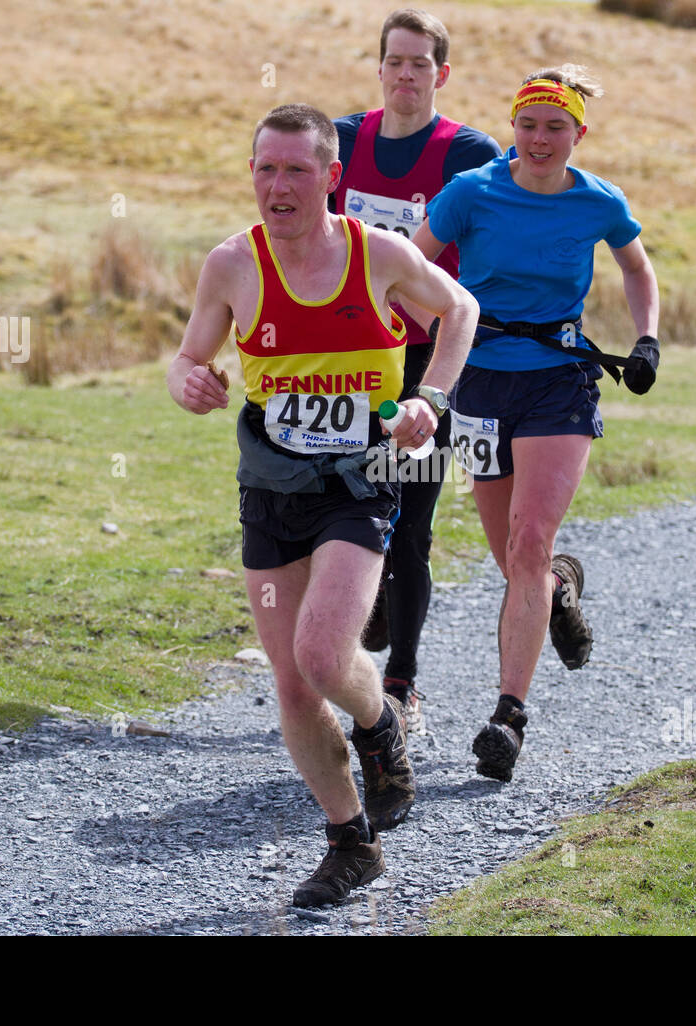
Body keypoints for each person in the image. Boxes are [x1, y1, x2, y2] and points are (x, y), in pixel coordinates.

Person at [168, 103, 477, 906]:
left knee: (319, 650)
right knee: (293, 683)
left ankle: (380, 726)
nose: (279, 186)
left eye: (297, 170)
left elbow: (460, 309)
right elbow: (188, 356)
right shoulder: (232, 265)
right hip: (271, 488)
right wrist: (190, 383)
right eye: (266, 169)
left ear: (332, 178)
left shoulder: (379, 254)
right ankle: (351, 842)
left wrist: (431, 400)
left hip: (360, 480)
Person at [412, 66, 660, 782]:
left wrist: (646, 340)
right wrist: (436, 336)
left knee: (527, 544)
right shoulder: (473, 192)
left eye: (557, 127)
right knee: (514, 563)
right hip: (481, 382)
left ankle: (507, 718)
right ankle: (560, 589)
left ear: (580, 133)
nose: (540, 139)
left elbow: (638, 271)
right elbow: (411, 264)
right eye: (529, 124)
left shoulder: (598, 201)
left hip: (559, 379)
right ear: (512, 127)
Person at [330, 8, 501, 735]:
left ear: (441, 73)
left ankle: (403, 682)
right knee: (340, 508)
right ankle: (359, 624)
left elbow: (490, 252)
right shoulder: (340, 141)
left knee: (413, 524)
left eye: (420, 64)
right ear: (379, 67)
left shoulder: (467, 153)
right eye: (395, 61)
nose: (406, 74)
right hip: (351, 359)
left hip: (431, 360)